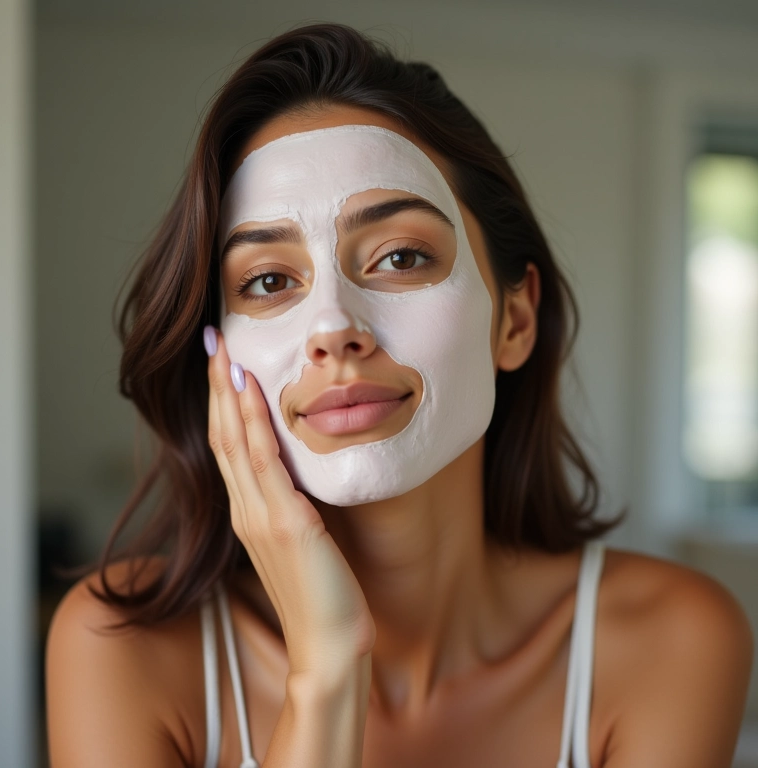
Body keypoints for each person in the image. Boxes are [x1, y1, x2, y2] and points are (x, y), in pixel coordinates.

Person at [46, 22, 753, 768]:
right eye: (268, 280)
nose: (333, 330)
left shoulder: (672, 640)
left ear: (513, 320)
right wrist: (325, 670)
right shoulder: (122, 646)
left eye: (401, 257)